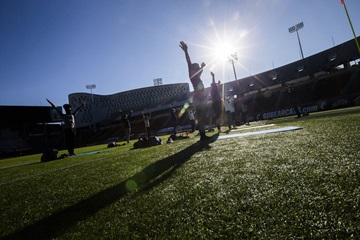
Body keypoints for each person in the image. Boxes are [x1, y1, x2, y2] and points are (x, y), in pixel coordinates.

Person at [179, 41, 210, 141]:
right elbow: (188, 62)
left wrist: (203, 67)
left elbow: (200, 71)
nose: (198, 68)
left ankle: (203, 134)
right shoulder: (192, 75)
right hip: (199, 100)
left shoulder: (196, 76)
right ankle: (202, 136)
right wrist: (186, 51)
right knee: (201, 117)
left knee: (203, 117)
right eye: (196, 67)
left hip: (201, 99)